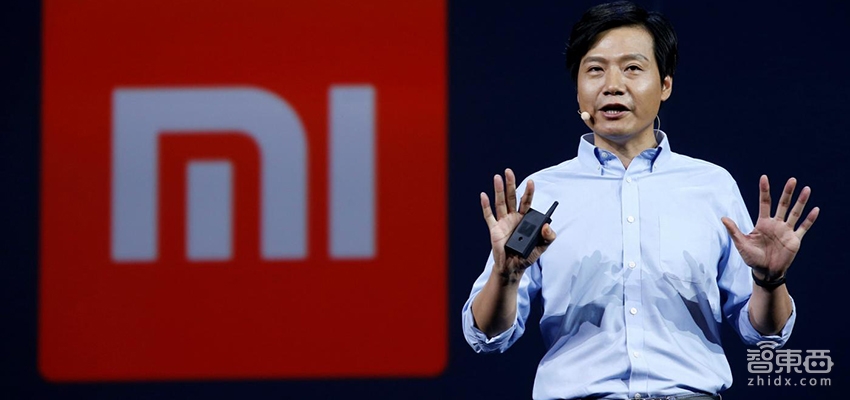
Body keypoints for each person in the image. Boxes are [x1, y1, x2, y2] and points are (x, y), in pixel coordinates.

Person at [460, 2, 820, 400]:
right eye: (595, 70)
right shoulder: (542, 192)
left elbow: (765, 333)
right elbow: (486, 335)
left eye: (632, 68)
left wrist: (770, 281)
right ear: (577, 89)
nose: (612, 85)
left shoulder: (712, 186)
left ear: (665, 85)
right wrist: (506, 275)